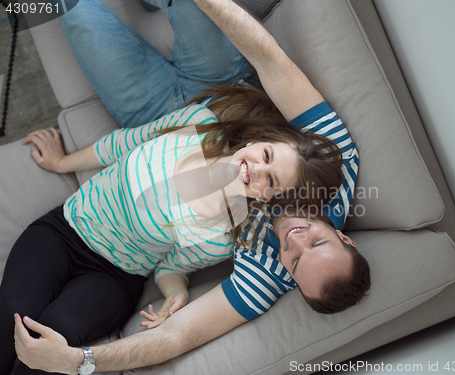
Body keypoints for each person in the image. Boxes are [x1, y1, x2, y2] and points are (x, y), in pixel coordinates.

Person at [11, 0, 371, 373]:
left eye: (295, 261)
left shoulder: (266, 270)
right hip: (222, 98)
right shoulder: (334, 165)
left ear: (292, 277)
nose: (294, 239)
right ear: (346, 238)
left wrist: (79, 361)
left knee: (74, 12)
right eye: (316, 241)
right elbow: (270, 61)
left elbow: (177, 336)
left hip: (147, 116)